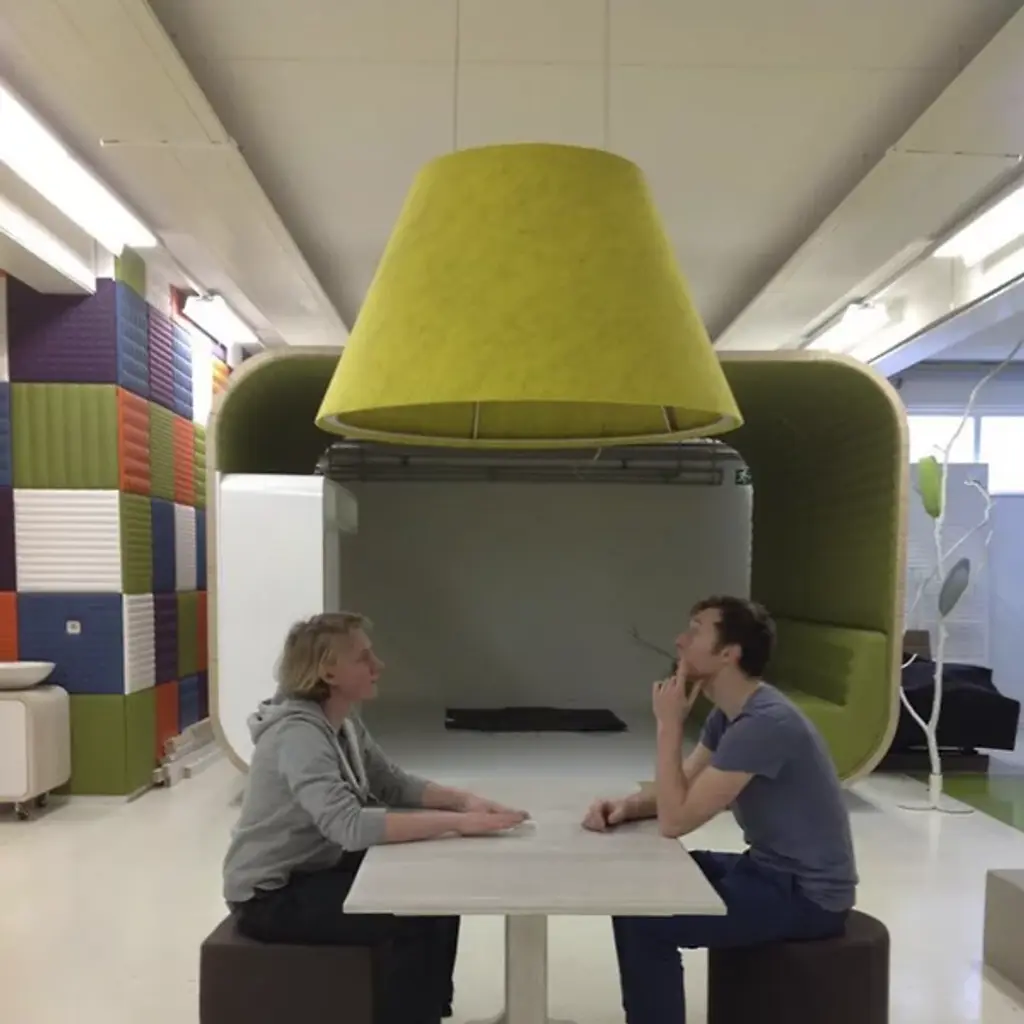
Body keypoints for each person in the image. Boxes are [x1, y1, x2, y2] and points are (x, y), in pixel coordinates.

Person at [224, 611, 529, 1024]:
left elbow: (392, 783)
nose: (378, 665)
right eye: (363, 658)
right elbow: (349, 826)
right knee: (412, 918)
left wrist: (465, 802)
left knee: (440, 889)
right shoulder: (298, 735)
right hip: (271, 896)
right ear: (328, 672)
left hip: (316, 866)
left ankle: (427, 1012)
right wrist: (456, 824)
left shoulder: (341, 720)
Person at [583, 596, 857, 1024]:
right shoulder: (730, 716)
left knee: (646, 921)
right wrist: (626, 807)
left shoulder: (765, 724)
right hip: (766, 869)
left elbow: (676, 821)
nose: (680, 640)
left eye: (695, 631)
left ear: (729, 653)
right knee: (645, 885)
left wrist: (669, 725)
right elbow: (682, 790)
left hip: (807, 895)